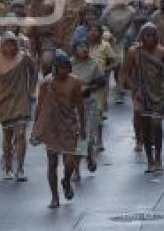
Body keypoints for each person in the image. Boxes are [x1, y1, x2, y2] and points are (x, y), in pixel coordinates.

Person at [31, 50, 85, 209]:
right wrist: (36, 128)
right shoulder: (46, 83)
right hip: (51, 127)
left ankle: (66, 180)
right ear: (54, 68)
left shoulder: (75, 82)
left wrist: (83, 127)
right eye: (60, 68)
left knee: (70, 162)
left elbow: (80, 106)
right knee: (52, 163)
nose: (64, 71)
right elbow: (40, 107)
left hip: (69, 125)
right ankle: (54, 197)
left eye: (66, 67)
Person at [123, 23, 164, 173]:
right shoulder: (134, 52)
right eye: (147, 35)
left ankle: (159, 157)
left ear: (157, 36)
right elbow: (126, 74)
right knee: (146, 127)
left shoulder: (162, 52)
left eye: (153, 35)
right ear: (141, 36)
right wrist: (134, 89)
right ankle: (150, 160)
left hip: (158, 93)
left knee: (156, 125)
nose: (150, 38)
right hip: (141, 94)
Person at [0, 31, 37, 181]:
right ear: (2, 45)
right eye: (7, 44)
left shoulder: (24, 57)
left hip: (21, 99)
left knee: (21, 134)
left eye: (12, 43)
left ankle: (20, 168)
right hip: (4, 102)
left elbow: (34, 72)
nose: (10, 47)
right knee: (7, 135)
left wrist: (31, 90)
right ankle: (8, 165)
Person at [70, 28, 107, 178]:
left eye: (86, 46)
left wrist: (89, 87)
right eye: (81, 47)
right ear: (75, 49)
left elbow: (101, 81)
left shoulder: (94, 64)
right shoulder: (69, 64)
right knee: (76, 138)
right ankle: (76, 169)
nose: (84, 49)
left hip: (89, 103)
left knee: (87, 137)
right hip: (71, 105)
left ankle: (88, 156)